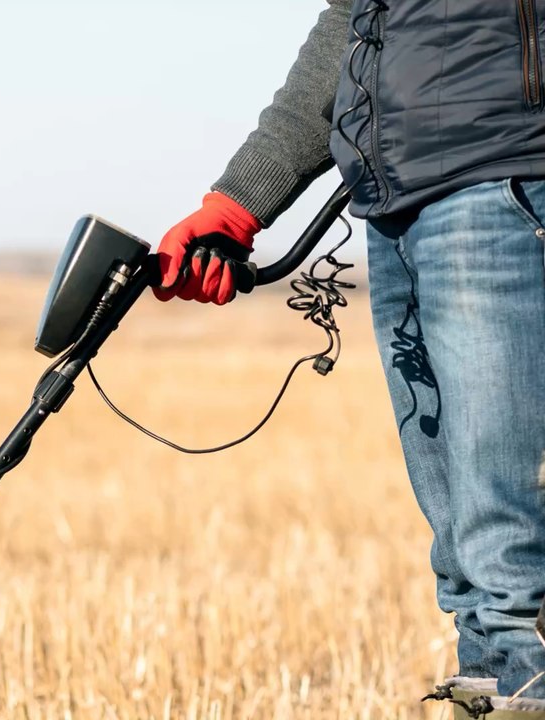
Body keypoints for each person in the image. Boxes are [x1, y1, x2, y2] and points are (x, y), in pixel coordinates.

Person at [153, 0, 545, 709]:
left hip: (507, 183)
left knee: (514, 563)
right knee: (468, 568)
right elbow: (356, 21)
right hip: (397, 204)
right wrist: (241, 201)